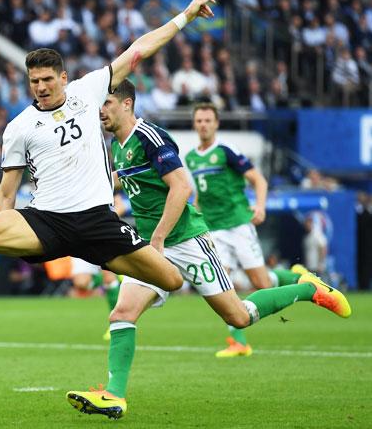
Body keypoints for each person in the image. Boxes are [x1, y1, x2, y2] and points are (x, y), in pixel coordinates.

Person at [0, 0, 220, 303]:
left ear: (63, 78)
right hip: (47, 221)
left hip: (97, 221)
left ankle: (108, 279)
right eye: (34, 81)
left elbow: (139, 49)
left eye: (48, 79)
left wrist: (186, 15)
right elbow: (6, 192)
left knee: (170, 280)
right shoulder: (18, 127)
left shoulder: (89, 90)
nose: (42, 87)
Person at [66, 80, 351, 420]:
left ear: (127, 103)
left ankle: (309, 289)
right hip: (152, 246)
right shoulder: (118, 146)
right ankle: (114, 396)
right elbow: (126, 182)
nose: (100, 110)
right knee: (122, 313)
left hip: (186, 241)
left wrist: (157, 238)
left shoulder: (150, 137)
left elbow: (181, 186)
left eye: (107, 102)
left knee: (238, 316)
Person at [184, 102, 304, 357]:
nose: (203, 125)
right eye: (199, 120)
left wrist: (260, 206)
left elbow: (258, 179)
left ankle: (296, 277)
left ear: (216, 123)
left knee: (261, 283)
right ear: (194, 124)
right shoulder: (191, 158)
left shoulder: (226, 150)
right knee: (221, 287)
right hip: (214, 229)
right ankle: (239, 342)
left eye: (208, 120)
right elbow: (201, 195)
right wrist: (195, 218)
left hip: (238, 223)